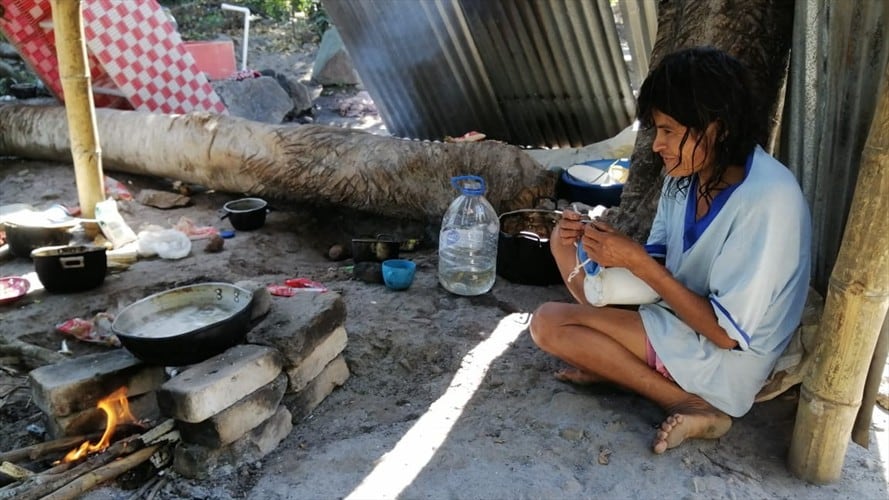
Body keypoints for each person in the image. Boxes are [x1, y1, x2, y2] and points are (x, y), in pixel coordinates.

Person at [529, 46, 812, 454]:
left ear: (716, 128)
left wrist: (636, 261)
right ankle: (625, 371)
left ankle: (685, 402)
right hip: (680, 325)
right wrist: (571, 253)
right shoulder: (684, 179)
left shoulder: (767, 198)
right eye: (656, 130)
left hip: (726, 361)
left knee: (548, 323)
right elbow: (648, 282)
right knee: (560, 323)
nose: (657, 145)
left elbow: (726, 335)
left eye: (669, 131)